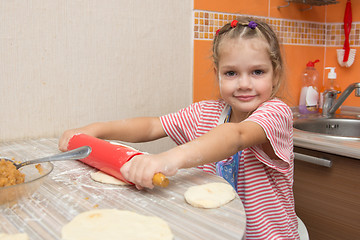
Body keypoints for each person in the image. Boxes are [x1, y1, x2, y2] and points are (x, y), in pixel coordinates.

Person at [59, 17, 299, 239]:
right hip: (217, 233)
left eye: (258, 72)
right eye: (231, 73)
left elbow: (235, 136)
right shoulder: (205, 112)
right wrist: (95, 130)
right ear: (218, 75)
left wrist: (167, 159)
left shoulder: (276, 113)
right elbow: (153, 125)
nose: (244, 83)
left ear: (275, 75)